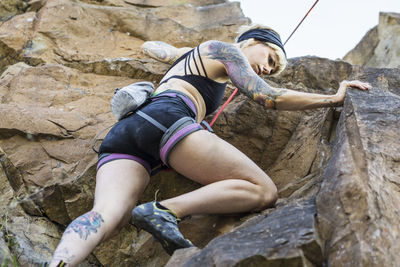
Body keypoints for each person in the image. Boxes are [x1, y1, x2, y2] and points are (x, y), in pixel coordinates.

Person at [49, 24, 370, 266]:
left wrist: (176, 51)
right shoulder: (226, 50)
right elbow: (266, 96)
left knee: (105, 215)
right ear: (252, 40)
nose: (269, 68)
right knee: (262, 189)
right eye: (271, 57)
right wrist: (333, 97)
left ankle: (58, 262)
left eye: (274, 67)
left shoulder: (199, 53)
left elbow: (154, 48)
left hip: (128, 129)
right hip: (169, 118)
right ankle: (163, 211)